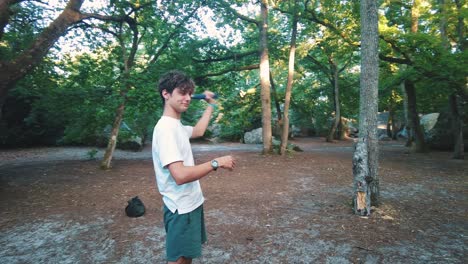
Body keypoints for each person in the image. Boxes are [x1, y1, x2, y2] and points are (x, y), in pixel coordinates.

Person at [152, 70, 236, 264]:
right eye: (182, 92)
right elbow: (179, 175)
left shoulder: (176, 126)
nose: (188, 98)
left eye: (190, 93)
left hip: (190, 203)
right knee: (179, 260)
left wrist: (210, 106)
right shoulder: (166, 129)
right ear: (166, 94)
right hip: (181, 208)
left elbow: (198, 131)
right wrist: (216, 163)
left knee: (187, 257)